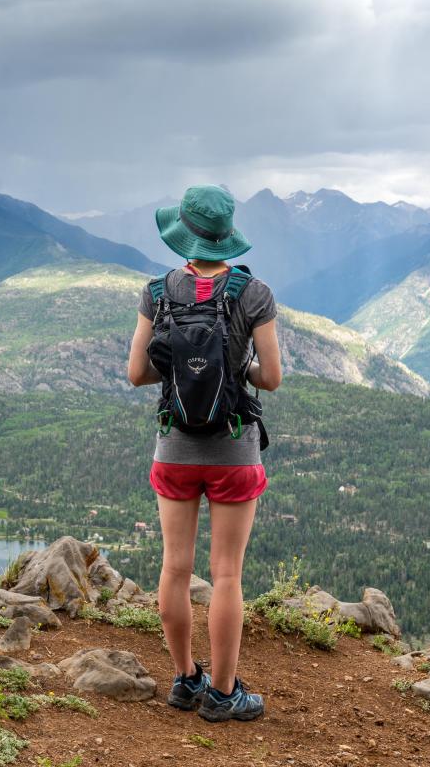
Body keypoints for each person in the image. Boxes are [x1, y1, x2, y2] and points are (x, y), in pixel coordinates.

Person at [127, 184, 281, 722]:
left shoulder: (159, 291)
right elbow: (274, 378)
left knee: (174, 567)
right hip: (234, 450)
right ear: (227, 236)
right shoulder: (253, 292)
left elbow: (137, 372)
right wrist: (236, 372)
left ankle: (183, 679)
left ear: (184, 235)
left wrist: (181, 370)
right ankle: (222, 693)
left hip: (174, 448)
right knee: (227, 576)